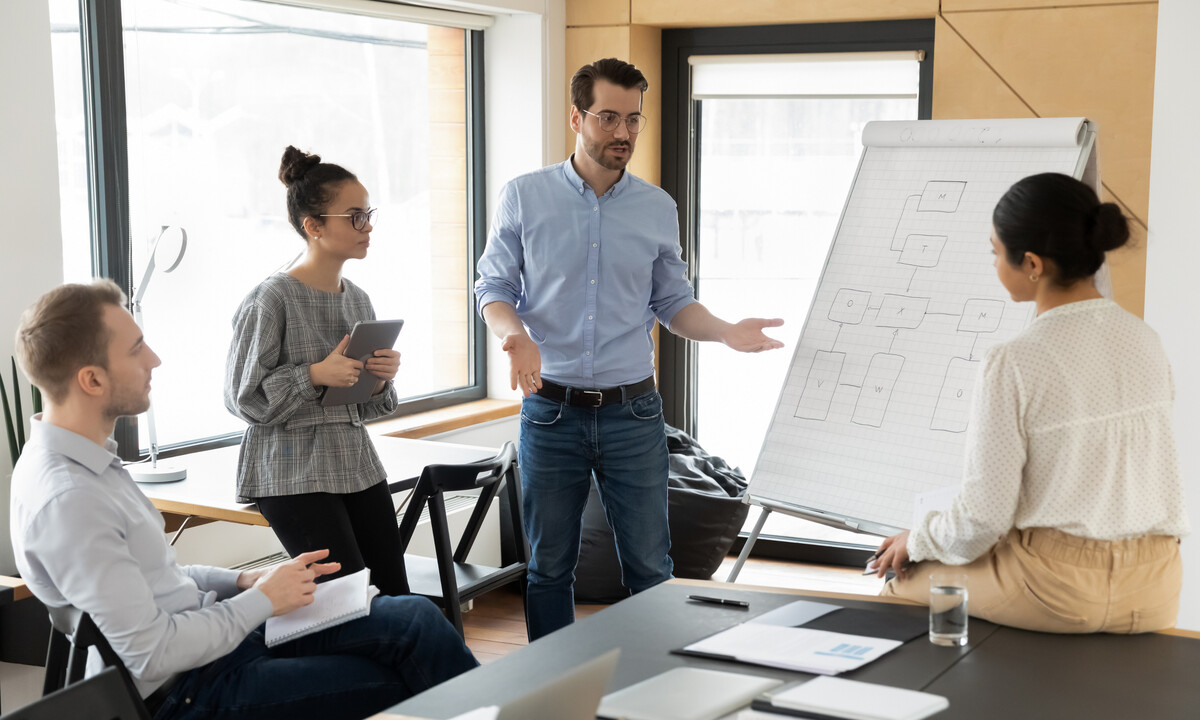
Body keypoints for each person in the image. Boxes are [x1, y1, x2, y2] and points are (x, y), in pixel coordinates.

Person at [10, 280, 477, 720]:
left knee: (414, 618)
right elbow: (153, 653)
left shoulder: (89, 463)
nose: (154, 359)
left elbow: (159, 577)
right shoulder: (70, 500)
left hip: (215, 644)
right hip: (192, 691)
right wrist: (264, 602)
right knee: (401, 673)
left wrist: (245, 581)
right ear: (91, 380)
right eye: (136, 349)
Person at [474, 57, 784, 640]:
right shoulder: (524, 196)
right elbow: (493, 287)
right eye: (608, 118)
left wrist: (724, 330)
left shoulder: (657, 207)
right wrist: (513, 337)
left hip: (633, 413)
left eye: (633, 120)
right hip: (550, 409)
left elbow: (673, 304)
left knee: (651, 570)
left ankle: (655, 685)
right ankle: (550, 686)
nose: (623, 133)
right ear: (577, 116)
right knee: (547, 569)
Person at [872, 173, 1190, 633]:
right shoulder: (1145, 339)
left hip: (1059, 589)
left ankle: (964, 697)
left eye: (996, 252)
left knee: (902, 579)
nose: (995, 265)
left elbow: (982, 520)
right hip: (1155, 584)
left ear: (1034, 265)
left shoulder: (1013, 361)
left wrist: (916, 539)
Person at [225, 146, 409, 595]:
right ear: (314, 226)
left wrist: (380, 378)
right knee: (346, 602)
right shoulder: (271, 298)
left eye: (368, 214)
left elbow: (363, 409)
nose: (367, 227)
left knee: (392, 596)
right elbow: (242, 398)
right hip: (289, 472)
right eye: (355, 216)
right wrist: (313, 375)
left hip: (355, 464)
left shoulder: (359, 299)